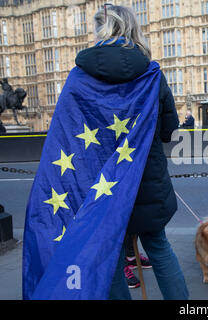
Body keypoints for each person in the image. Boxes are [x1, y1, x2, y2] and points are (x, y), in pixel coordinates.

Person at [22, 5, 188, 300]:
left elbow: (65, 133)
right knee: (160, 250)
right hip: (145, 184)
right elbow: (169, 131)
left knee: (108, 259)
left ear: (101, 30)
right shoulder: (151, 76)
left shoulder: (78, 78)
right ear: (132, 29)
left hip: (100, 187)